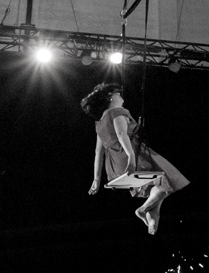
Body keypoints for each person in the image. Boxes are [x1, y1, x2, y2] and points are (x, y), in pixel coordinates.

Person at [81, 83, 190, 235]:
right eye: (118, 94)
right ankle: (143, 209)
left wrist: (96, 180)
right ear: (110, 97)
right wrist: (131, 157)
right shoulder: (116, 111)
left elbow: (98, 152)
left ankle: (153, 214)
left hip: (114, 166)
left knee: (156, 186)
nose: (121, 96)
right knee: (168, 180)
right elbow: (121, 134)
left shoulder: (99, 123)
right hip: (130, 156)